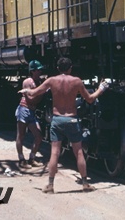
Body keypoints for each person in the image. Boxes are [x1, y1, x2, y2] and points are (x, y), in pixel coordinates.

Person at [19, 57, 108, 193]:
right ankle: (85, 183)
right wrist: (101, 89)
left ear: (58, 68)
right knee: (78, 152)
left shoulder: (52, 81)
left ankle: (50, 185)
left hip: (57, 120)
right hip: (72, 120)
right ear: (70, 68)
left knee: (54, 152)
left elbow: (34, 92)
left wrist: (26, 91)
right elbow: (90, 99)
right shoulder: (76, 81)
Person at [16, 60, 45, 168]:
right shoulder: (28, 82)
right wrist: (42, 92)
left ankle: (32, 158)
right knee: (21, 135)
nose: (40, 72)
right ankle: (21, 159)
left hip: (31, 111)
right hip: (24, 110)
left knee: (38, 136)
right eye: (38, 70)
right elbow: (32, 100)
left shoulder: (39, 82)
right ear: (33, 71)